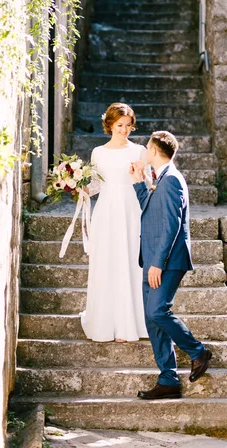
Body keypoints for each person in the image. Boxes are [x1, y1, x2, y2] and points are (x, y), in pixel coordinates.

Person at [130, 130, 212, 399]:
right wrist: (139, 183)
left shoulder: (172, 180)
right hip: (152, 257)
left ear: (154, 150)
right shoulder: (160, 178)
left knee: (157, 312)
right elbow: (150, 210)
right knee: (151, 320)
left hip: (165, 260)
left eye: (147, 147)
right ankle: (168, 379)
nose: (144, 150)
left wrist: (157, 263)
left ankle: (198, 351)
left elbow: (171, 226)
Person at [80, 103, 150, 342]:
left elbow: (148, 184)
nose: (124, 130)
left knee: (130, 261)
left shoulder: (139, 151)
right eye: (120, 125)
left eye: (128, 126)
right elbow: (97, 185)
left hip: (131, 210)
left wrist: (138, 176)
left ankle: (128, 324)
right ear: (110, 124)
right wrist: (76, 187)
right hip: (106, 211)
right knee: (108, 262)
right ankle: (106, 323)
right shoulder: (98, 152)